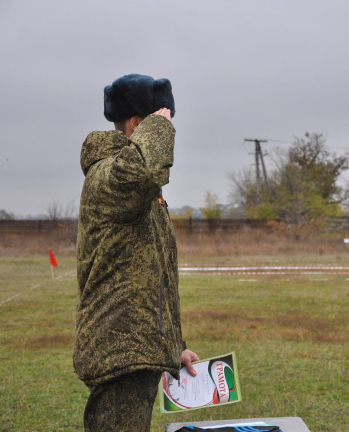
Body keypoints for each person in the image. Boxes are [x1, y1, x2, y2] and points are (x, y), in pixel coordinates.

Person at [74, 74, 199, 431]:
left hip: (136, 350)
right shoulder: (107, 175)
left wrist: (173, 346)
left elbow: (150, 276)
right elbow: (141, 171)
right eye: (161, 121)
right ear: (136, 124)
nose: (168, 131)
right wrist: (157, 128)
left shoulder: (139, 188)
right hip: (119, 352)